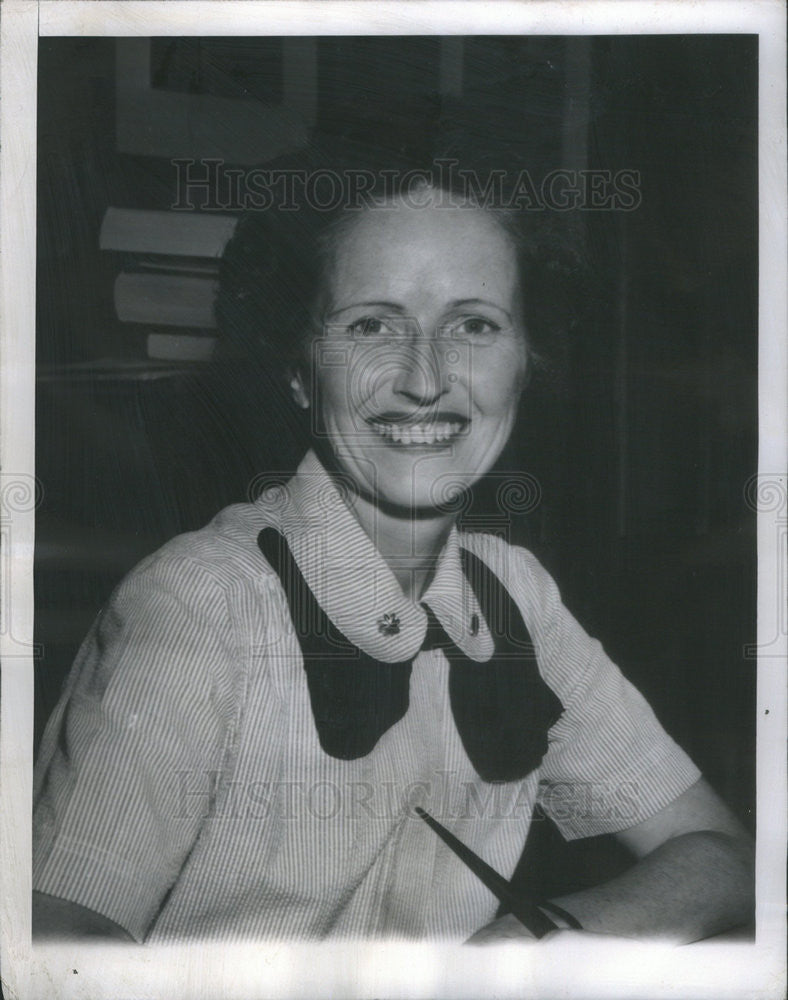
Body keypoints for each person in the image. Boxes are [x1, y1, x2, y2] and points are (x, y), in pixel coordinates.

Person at [32, 168, 753, 943]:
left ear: (526, 363)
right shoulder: (200, 601)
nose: (426, 379)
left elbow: (723, 857)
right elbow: (60, 948)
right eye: (371, 326)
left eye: (474, 325)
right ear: (300, 373)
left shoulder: (515, 597)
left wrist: (530, 951)